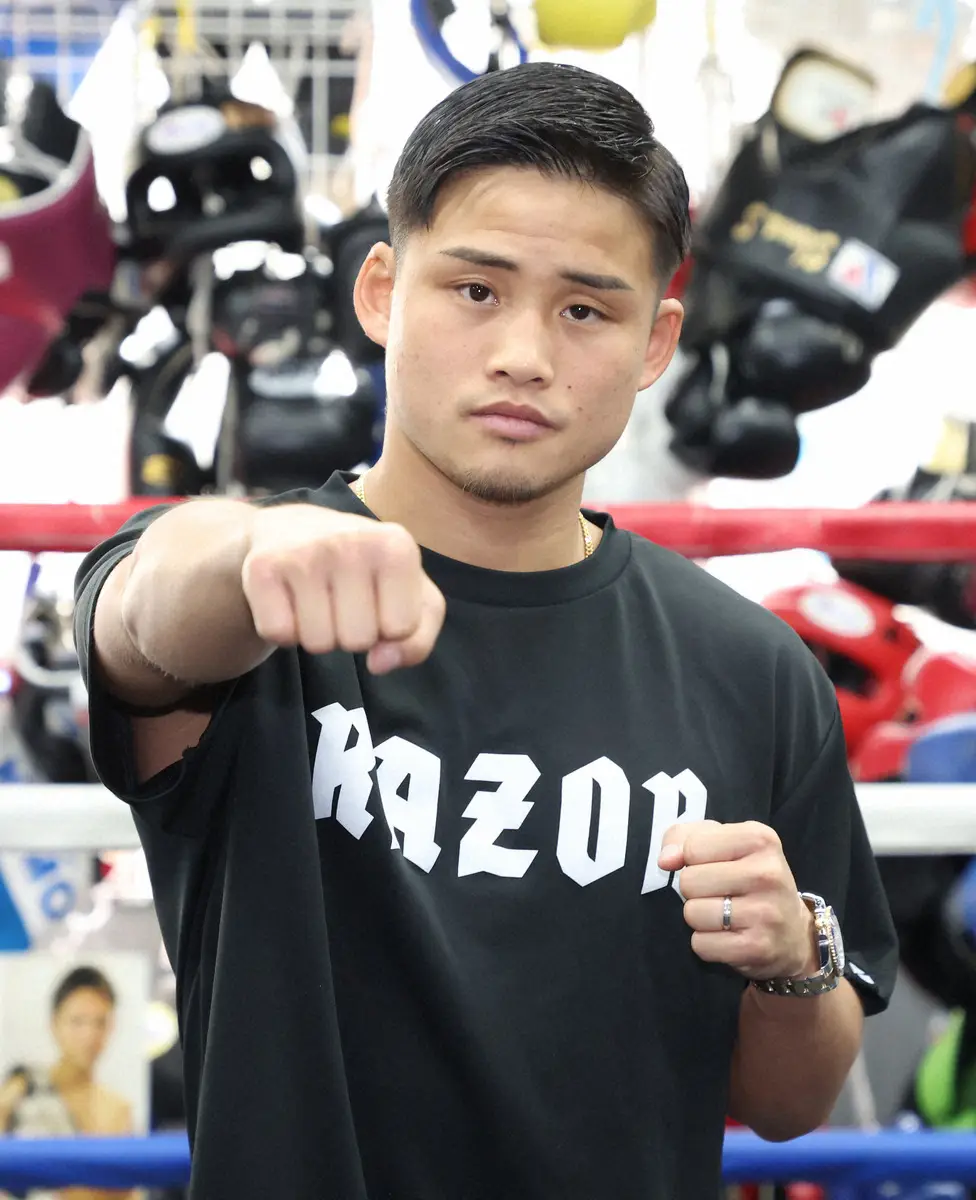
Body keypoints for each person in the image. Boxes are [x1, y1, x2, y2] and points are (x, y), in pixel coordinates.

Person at [74, 61, 899, 1200]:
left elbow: (789, 1105)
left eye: (585, 310)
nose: (524, 354)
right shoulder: (252, 612)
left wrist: (792, 960)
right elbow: (142, 618)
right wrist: (249, 550)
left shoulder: (750, 667)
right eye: (475, 290)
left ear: (655, 343)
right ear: (381, 292)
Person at [0, 966, 135, 1200]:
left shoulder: (118, 1110)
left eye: (100, 1022)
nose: (89, 1035)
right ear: (55, 1023)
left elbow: (125, 1194)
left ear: (111, 1027)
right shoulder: (20, 1091)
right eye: (77, 1021)